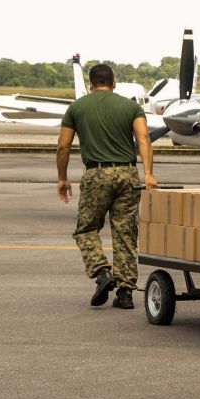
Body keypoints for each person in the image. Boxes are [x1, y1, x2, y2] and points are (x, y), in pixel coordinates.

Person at [56, 64, 157, 309]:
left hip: (96, 173)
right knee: (125, 233)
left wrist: (62, 178)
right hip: (128, 174)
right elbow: (143, 138)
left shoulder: (76, 108)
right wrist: (149, 174)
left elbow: (63, 146)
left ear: (91, 84)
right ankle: (125, 294)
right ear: (114, 82)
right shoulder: (131, 107)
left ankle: (102, 272)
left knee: (86, 228)